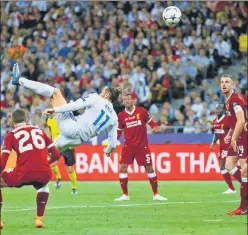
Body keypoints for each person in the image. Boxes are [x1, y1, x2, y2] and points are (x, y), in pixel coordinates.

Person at [12, 63, 120, 157]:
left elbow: (75, 105)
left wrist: (56, 109)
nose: (100, 93)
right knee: (46, 152)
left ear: (107, 95)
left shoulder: (97, 98)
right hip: (78, 140)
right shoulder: (114, 118)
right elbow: (113, 143)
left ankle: (19, 80)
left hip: (72, 127)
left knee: (56, 92)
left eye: (103, 92)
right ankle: (29, 168)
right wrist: (107, 151)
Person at [0, 108, 61, 229]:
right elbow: (56, 154)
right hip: (44, 173)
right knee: (43, 187)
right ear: (27, 120)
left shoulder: (10, 135)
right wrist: (48, 163)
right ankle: (39, 219)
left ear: (12, 122)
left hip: (23, 173)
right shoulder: (39, 130)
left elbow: (4, 159)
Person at [114, 91, 167, 201]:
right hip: (128, 146)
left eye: (129, 99)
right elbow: (118, 132)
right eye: (125, 100)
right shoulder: (121, 116)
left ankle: (156, 194)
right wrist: (113, 141)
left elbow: (151, 122)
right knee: (122, 168)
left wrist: (155, 127)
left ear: (132, 100)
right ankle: (125, 195)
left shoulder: (141, 111)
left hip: (141, 146)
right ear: (123, 102)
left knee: (149, 168)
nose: (127, 101)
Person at [220, 74, 247, 215]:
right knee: (229, 165)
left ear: (233, 85)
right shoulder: (227, 101)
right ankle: (245, 189)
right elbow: (234, 122)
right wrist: (230, 134)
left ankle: (243, 207)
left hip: (243, 136)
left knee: (245, 169)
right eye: (222, 82)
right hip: (237, 135)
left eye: (227, 82)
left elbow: (241, 121)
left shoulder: (235, 100)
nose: (224, 84)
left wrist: (234, 138)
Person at [47, 115, 78, 194]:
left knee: (70, 169)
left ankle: (74, 188)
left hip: (66, 144)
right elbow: (50, 132)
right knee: (51, 163)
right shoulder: (49, 120)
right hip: (55, 145)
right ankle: (58, 178)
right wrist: (48, 142)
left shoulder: (65, 118)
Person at [210, 104, 236, 194]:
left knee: (224, 166)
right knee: (225, 167)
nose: (218, 110)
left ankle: (233, 188)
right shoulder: (215, 121)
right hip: (221, 147)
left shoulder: (228, 120)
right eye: (216, 108)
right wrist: (213, 142)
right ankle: (232, 188)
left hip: (229, 146)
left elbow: (235, 129)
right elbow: (216, 133)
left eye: (220, 108)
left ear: (224, 110)